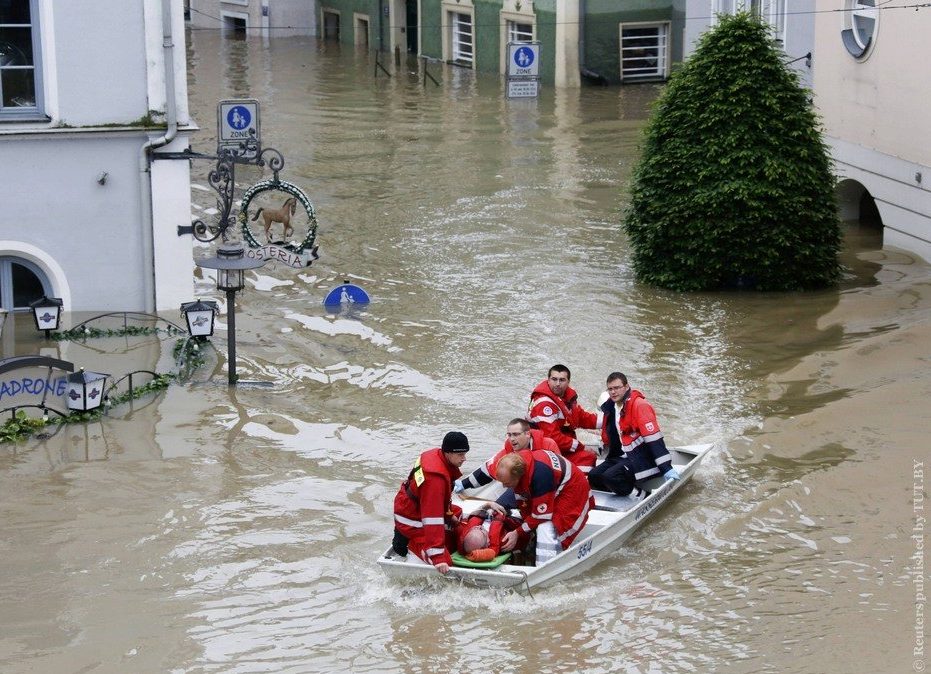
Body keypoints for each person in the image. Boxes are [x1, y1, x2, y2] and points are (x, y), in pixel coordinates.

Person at [588, 372, 680, 498]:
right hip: (623, 455)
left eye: (617, 388)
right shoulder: (612, 407)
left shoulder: (639, 406)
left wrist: (666, 468)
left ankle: (642, 495)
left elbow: (654, 438)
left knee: (611, 476)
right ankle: (621, 491)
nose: (613, 392)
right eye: (610, 389)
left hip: (643, 457)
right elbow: (608, 430)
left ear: (626, 387)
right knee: (594, 476)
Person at [495, 448, 594, 565]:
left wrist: (518, 532)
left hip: (573, 490)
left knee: (548, 528)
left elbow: (542, 515)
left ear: (518, 476)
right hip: (554, 486)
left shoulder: (541, 474)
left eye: (506, 483)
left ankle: (546, 565)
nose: (504, 487)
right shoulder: (518, 468)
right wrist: (527, 528)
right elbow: (525, 506)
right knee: (532, 523)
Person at [392, 431, 470, 574]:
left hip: (411, 507)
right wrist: (438, 557)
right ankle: (411, 544)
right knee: (446, 565)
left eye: (465, 454)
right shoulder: (435, 480)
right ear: (448, 453)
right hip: (412, 520)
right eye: (460, 455)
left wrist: (449, 515)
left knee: (457, 513)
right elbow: (432, 518)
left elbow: (437, 502)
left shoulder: (434, 455)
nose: (464, 459)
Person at [528, 364, 604, 474]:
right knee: (587, 457)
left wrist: (609, 420)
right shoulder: (544, 405)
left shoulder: (566, 398)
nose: (557, 384)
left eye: (562, 380)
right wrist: (580, 447)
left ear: (568, 382)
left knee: (589, 456)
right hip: (544, 450)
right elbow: (552, 437)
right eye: (554, 379)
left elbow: (581, 417)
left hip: (559, 447)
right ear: (548, 380)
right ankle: (573, 486)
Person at [454, 418, 559, 493]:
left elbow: (559, 473)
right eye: (509, 435)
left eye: (516, 434)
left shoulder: (548, 445)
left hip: (546, 487)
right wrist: (464, 484)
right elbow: (486, 471)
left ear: (527, 434)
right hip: (522, 490)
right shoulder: (507, 452)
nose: (512, 439)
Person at [456, 502, 521, 562]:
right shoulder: (503, 540)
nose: (478, 526)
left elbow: (473, 514)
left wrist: (487, 505)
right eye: (481, 530)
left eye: (474, 529)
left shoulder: (464, 529)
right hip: (512, 510)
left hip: (492, 506)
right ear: (488, 542)